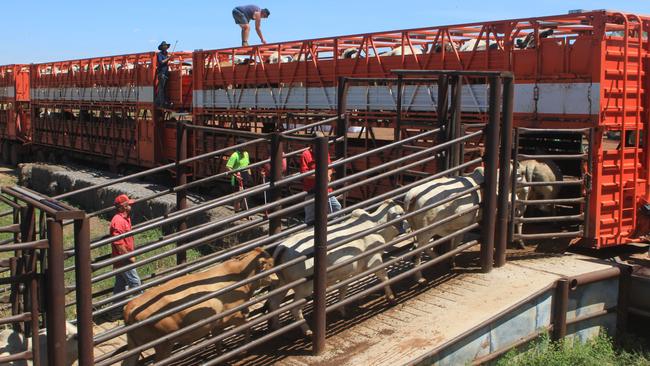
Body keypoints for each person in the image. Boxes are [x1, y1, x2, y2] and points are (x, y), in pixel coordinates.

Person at [300, 134, 341, 224]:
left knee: (336, 207)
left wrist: (328, 175)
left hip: (325, 188)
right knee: (311, 217)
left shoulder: (324, 152)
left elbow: (330, 168)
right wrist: (321, 176)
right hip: (311, 189)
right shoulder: (305, 154)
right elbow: (305, 174)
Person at [110, 194, 142, 296]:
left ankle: (115, 310)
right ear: (123, 207)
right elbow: (118, 243)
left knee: (120, 286)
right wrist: (129, 256)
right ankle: (142, 308)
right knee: (135, 283)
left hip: (122, 258)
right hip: (124, 259)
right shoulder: (118, 221)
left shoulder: (125, 218)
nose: (130, 206)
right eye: (128, 204)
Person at [226, 140, 253, 212]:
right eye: (244, 145)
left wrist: (249, 174)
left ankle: (244, 210)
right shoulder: (235, 155)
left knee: (247, 193)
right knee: (238, 196)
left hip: (246, 174)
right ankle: (237, 211)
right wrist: (235, 176)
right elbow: (228, 167)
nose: (246, 147)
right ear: (240, 146)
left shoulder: (246, 153)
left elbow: (248, 164)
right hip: (237, 175)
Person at [155, 41, 172, 108]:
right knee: (162, 89)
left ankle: (162, 102)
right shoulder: (159, 54)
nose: (165, 47)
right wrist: (168, 58)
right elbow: (161, 62)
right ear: (162, 48)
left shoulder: (166, 54)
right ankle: (162, 103)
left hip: (165, 73)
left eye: (166, 46)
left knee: (164, 89)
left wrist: (169, 58)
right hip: (162, 73)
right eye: (164, 46)